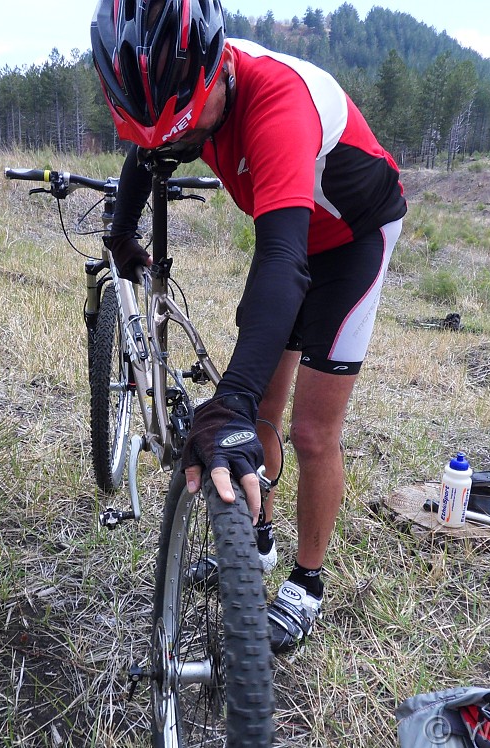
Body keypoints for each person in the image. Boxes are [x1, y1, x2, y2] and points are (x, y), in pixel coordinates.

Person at [91, 0, 407, 655]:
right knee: (261, 404)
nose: (170, 144)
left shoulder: (275, 103)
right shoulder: (181, 92)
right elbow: (147, 155)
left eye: (181, 129)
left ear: (214, 72)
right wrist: (121, 235)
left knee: (312, 431)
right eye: (154, 133)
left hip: (353, 240)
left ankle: (306, 585)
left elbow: (284, 260)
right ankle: (256, 546)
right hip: (294, 238)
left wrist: (226, 398)